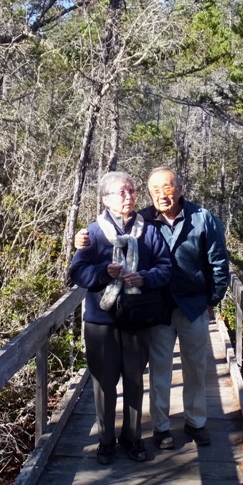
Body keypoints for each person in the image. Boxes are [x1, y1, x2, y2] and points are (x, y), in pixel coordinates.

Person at [76, 167, 229, 449]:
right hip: (155, 307)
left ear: (180, 189)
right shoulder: (144, 220)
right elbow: (106, 234)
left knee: (196, 367)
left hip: (193, 306)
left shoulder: (202, 218)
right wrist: (81, 239)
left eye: (167, 189)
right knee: (159, 369)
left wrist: (212, 302)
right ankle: (161, 428)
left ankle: (195, 422)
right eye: (155, 190)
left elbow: (219, 263)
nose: (162, 195)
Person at [69, 171, 171, 465]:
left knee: (135, 380)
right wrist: (103, 273)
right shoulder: (93, 233)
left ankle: (132, 436)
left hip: (138, 317)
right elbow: (78, 273)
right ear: (105, 200)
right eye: (121, 192)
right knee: (104, 382)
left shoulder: (149, 231)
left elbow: (166, 267)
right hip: (102, 320)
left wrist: (145, 278)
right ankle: (105, 440)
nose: (129, 197)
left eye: (131, 191)